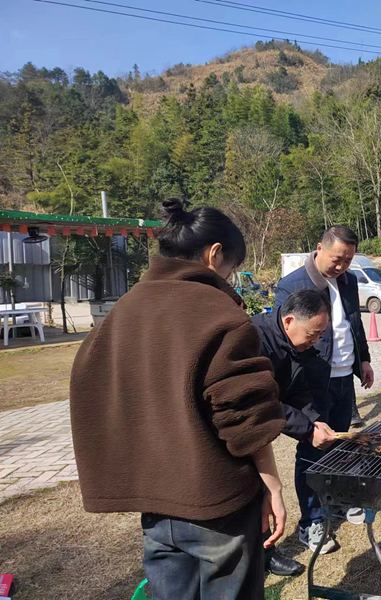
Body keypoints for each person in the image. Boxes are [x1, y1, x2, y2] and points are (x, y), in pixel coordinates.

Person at [70, 198, 287, 600]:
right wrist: (272, 487)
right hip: (218, 503)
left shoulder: (124, 309)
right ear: (214, 254)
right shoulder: (219, 313)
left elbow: (88, 381)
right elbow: (245, 418)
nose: (230, 279)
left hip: (156, 506)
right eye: (231, 269)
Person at [274, 225, 373, 554]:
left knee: (342, 445)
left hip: (345, 376)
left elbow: (354, 323)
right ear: (319, 248)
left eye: (348, 260)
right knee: (313, 449)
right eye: (337, 259)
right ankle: (312, 521)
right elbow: (287, 339)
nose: (341, 266)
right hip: (315, 383)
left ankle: (339, 501)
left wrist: (364, 361)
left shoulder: (349, 281)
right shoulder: (292, 285)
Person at [251, 289, 338, 577]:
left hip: (261, 428)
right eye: (312, 334)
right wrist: (304, 429)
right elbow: (260, 401)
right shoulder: (255, 339)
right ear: (289, 321)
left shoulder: (295, 345)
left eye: (320, 335)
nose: (316, 341)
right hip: (242, 430)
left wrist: (314, 423)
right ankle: (255, 556)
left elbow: (298, 391)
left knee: (261, 495)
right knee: (254, 492)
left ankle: (266, 554)